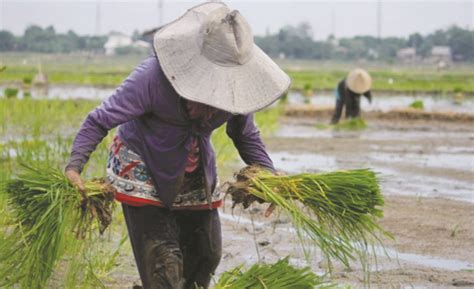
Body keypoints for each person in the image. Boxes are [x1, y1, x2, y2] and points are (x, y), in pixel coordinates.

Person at [64, 2, 290, 289]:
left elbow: (244, 134)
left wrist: (267, 174)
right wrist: (74, 168)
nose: (212, 110)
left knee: (207, 255)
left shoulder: (236, 91)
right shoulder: (152, 78)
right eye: (205, 99)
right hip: (142, 163)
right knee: (164, 265)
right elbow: (99, 120)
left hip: (194, 168)